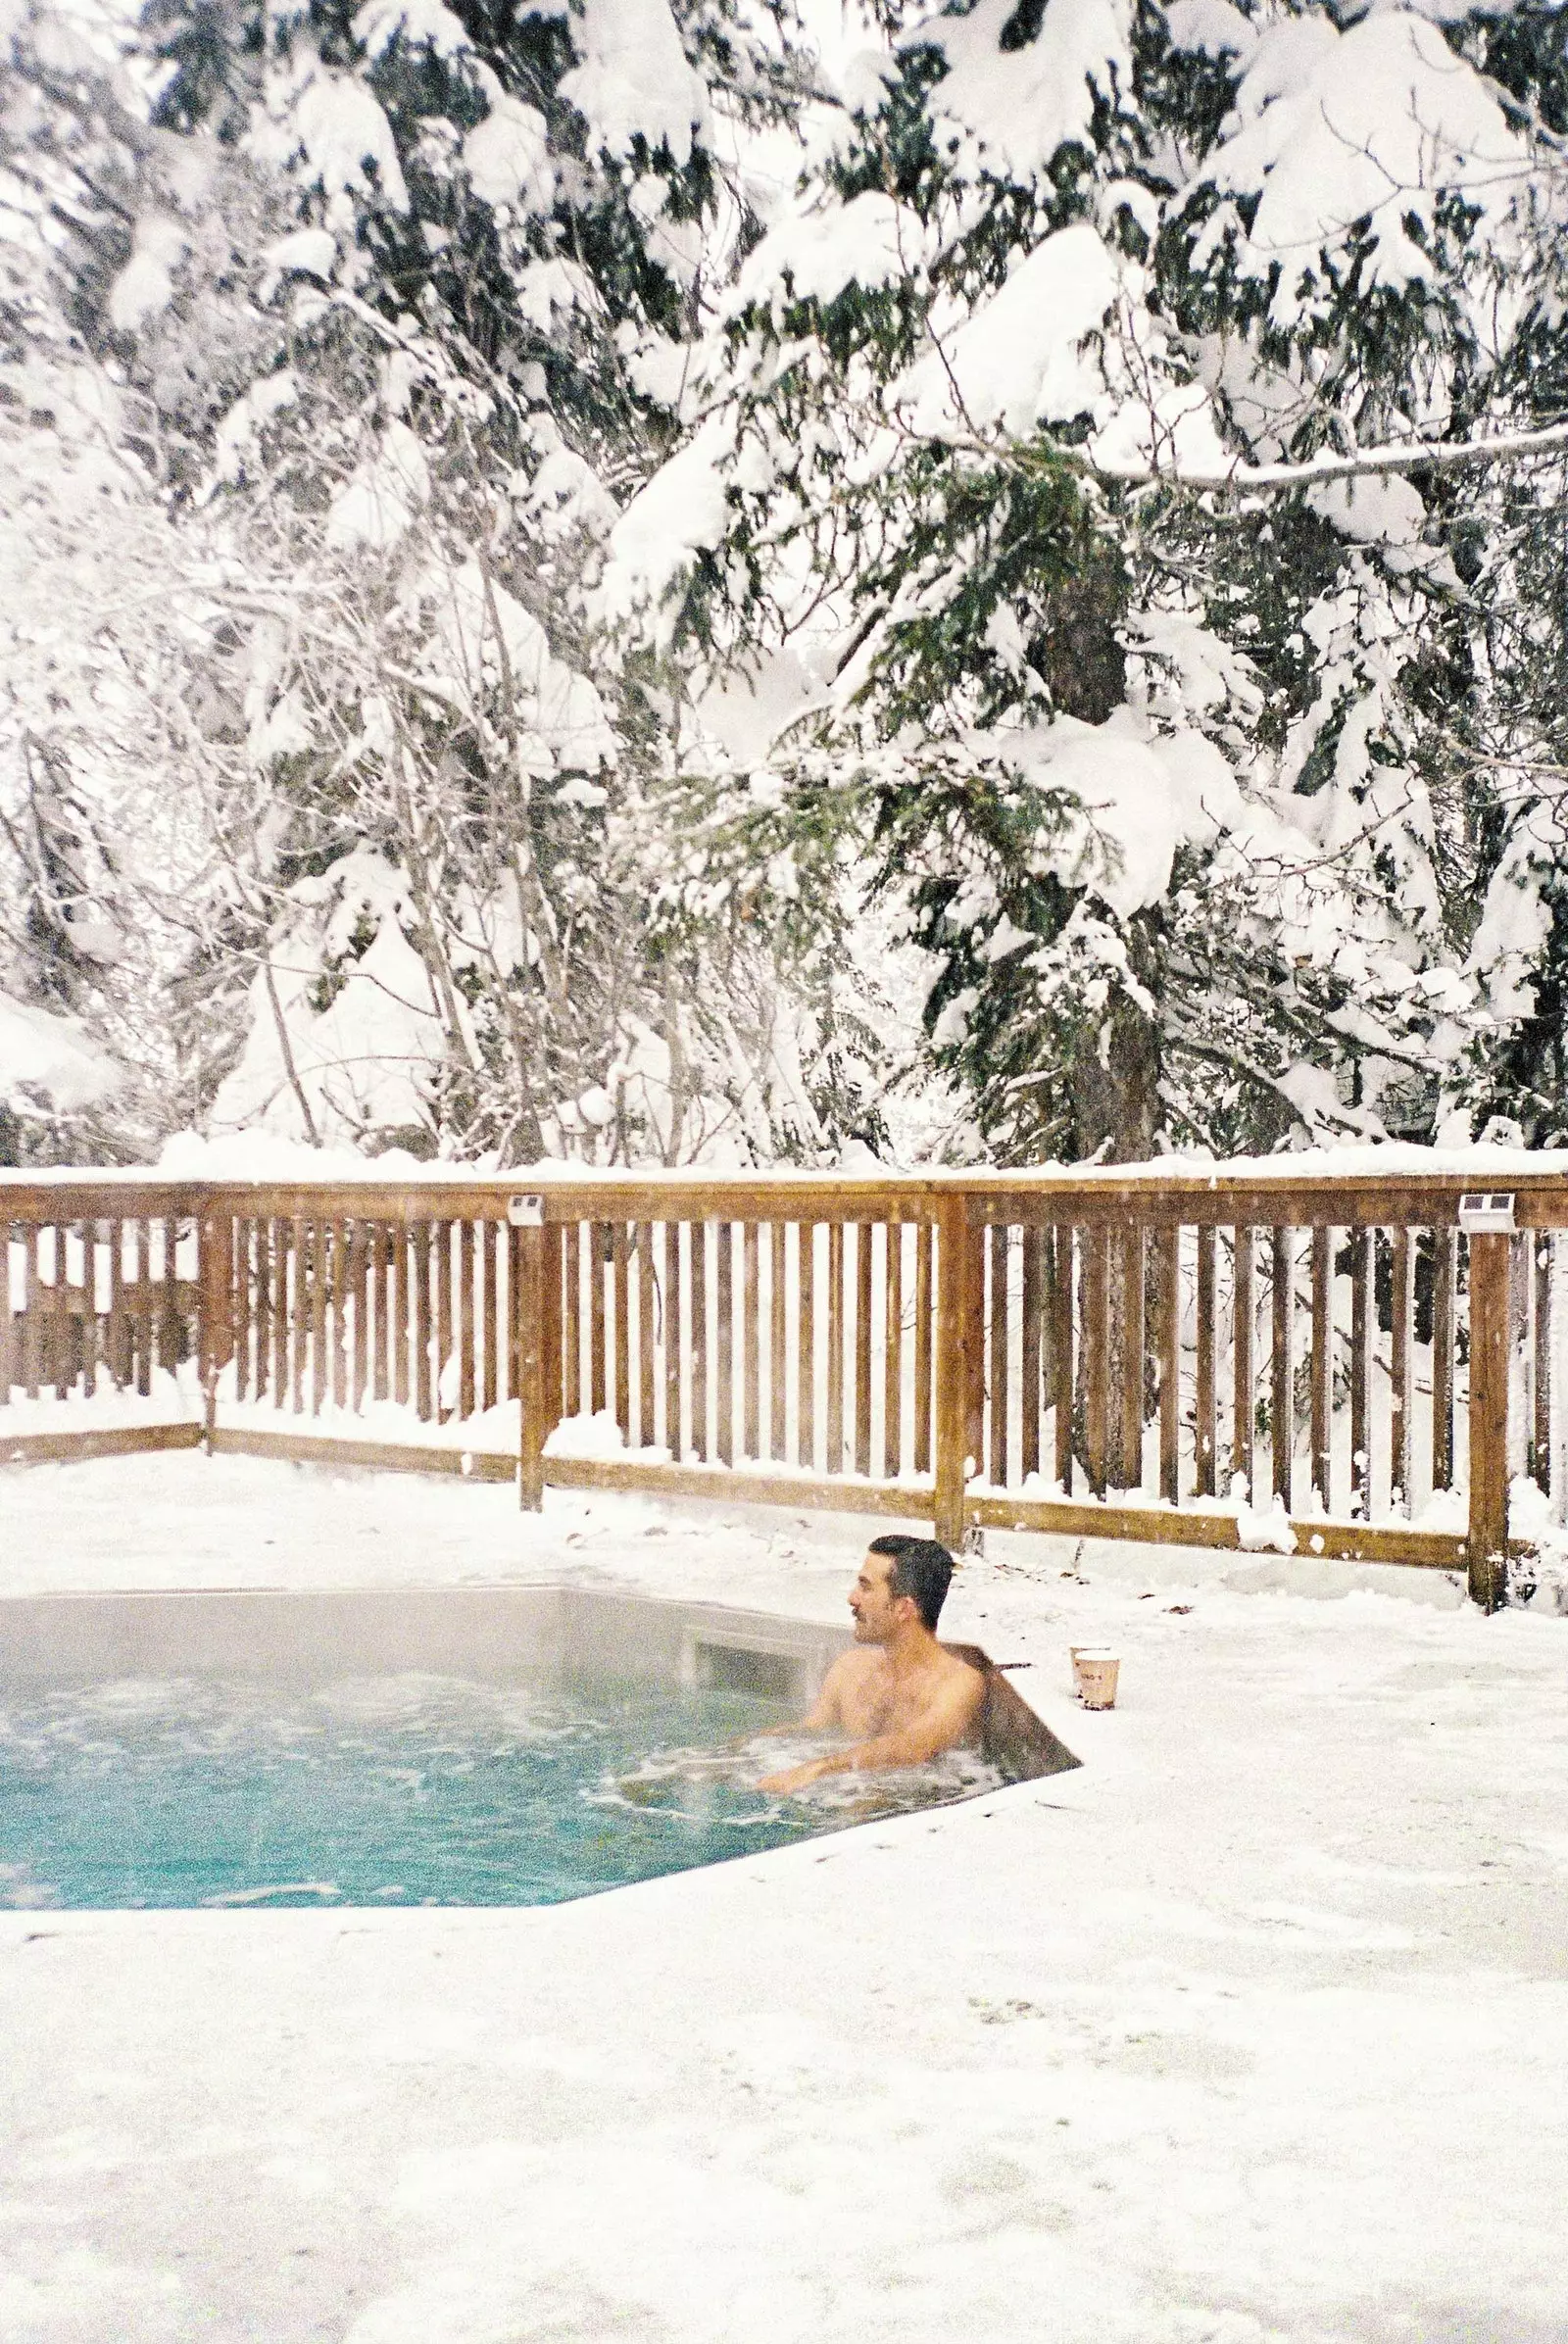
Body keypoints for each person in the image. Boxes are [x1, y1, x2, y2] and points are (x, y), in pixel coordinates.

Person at [757, 1535, 986, 1795]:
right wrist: (731, 1756)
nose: (852, 1598)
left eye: (865, 1587)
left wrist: (818, 1769)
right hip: (845, 1802)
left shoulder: (958, 1683)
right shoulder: (851, 1667)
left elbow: (914, 1747)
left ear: (903, 1609)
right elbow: (811, 1732)